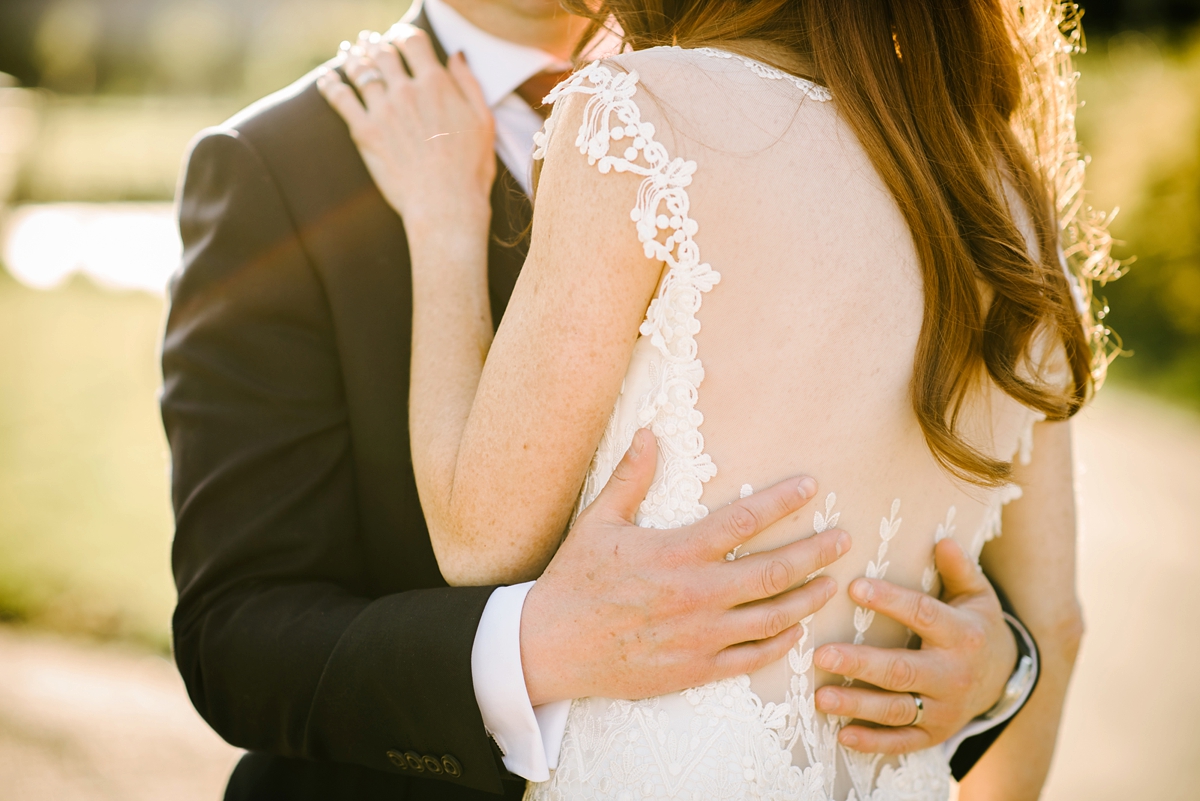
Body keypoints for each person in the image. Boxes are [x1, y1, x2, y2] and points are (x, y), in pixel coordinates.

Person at [162, 0, 1060, 798]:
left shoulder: (840, 135)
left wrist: (997, 673)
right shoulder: (273, 167)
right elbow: (238, 634)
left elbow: (992, 579)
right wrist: (524, 647)